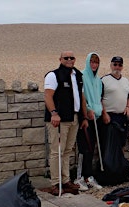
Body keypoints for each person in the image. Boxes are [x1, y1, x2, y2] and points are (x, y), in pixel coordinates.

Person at [44, 51, 83, 195]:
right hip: (58, 120)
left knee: (67, 150)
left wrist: (83, 117)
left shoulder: (78, 75)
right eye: (66, 58)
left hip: (74, 118)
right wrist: (54, 113)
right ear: (60, 59)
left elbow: (80, 97)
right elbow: (48, 95)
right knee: (56, 151)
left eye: (71, 57)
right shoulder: (53, 75)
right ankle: (55, 182)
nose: (69, 60)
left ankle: (66, 180)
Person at [74, 52, 103, 191]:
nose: (94, 64)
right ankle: (78, 177)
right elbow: (81, 96)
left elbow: (98, 97)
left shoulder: (98, 80)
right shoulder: (82, 76)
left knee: (91, 148)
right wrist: (87, 111)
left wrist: (99, 110)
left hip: (95, 118)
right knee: (83, 146)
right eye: (91, 61)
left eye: (96, 62)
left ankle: (88, 176)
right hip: (85, 117)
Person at [100, 56, 129, 179]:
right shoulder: (103, 80)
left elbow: (128, 96)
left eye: (119, 65)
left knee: (122, 144)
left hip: (122, 117)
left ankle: (120, 172)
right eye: (115, 64)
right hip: (109, 117)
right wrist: (104, 113)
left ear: (122, 66)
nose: (117, 67)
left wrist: (128, 107)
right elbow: (99, 98)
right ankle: (108, 173)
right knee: (108, 146)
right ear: (111, 65)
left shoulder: (126, 81)